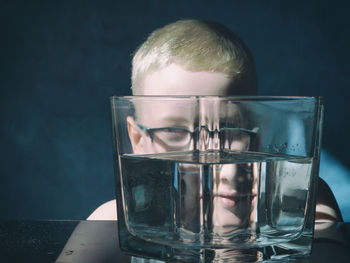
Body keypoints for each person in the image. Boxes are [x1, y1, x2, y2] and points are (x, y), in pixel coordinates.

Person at [88, 19, 343, 224]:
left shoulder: (301, 205)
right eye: (175, 130)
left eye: (230, 130)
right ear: (137, 139)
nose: (210, 155)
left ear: (259, 132)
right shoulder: (117, 223)